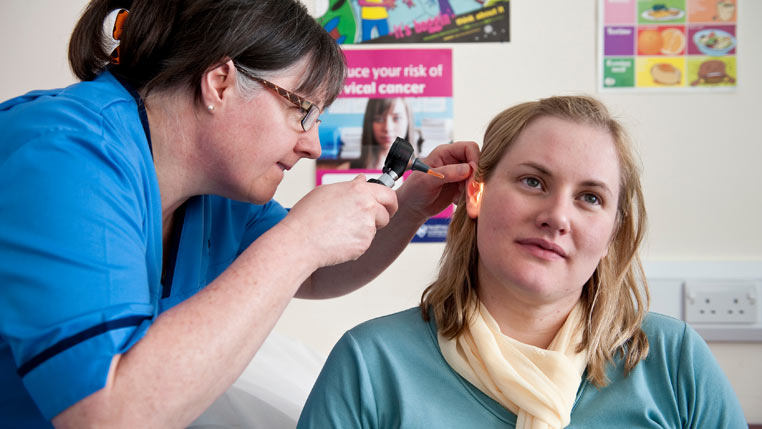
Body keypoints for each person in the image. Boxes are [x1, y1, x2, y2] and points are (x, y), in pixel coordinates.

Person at [0, 0, 479, 427]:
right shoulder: (62, 156)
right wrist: (301, 238)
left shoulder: (216, 196)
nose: (312, 144)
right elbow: (107, 415)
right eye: (303, 112)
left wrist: (413, 202)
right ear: (221, 82)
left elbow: (314, 274)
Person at [298, 96, 746, 428]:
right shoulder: (371, 364)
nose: (556, 217)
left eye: (590, 198)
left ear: (612, 233)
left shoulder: (674, 361)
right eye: (533, 182)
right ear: (476, 193)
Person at [351, 97, 415, 170]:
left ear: (408, 121)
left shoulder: (422, 171)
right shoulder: (346, 169)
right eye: (379, 119)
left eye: (396, 118)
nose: (387, 128)